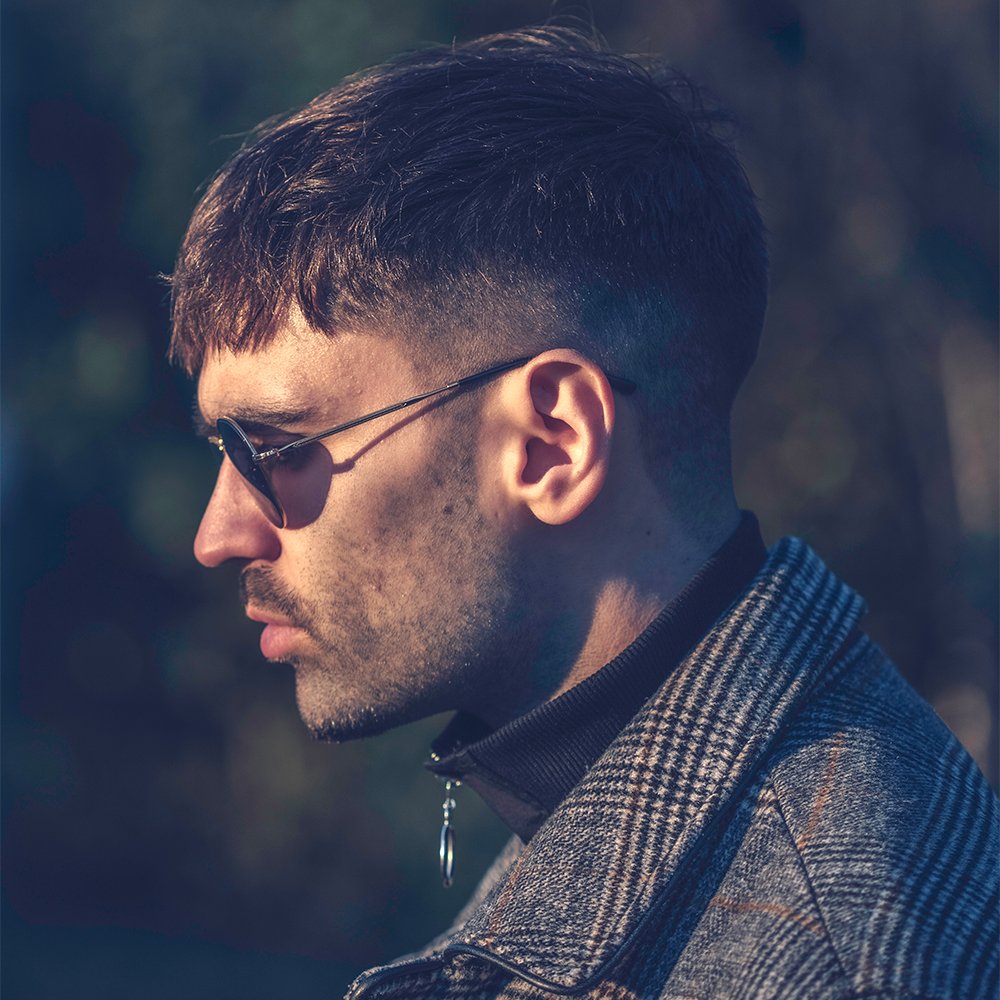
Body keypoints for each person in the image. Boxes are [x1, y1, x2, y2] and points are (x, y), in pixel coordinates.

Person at [169, 25, 997, 1000]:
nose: (218, 533)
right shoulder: (677, 833)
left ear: (551, 443)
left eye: (272, 451)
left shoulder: (820, 959)